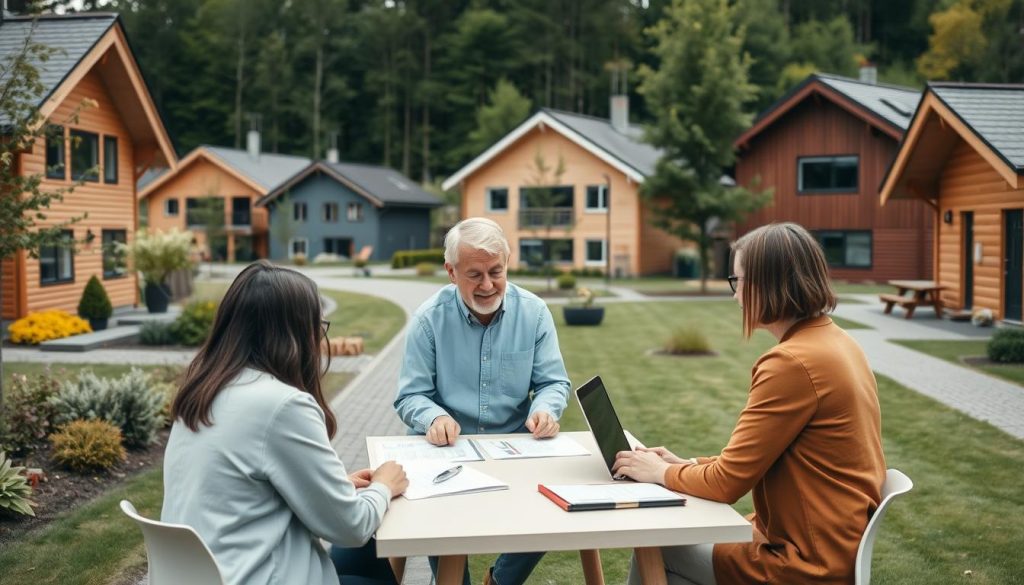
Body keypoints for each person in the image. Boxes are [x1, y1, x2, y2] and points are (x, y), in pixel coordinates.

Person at [613, 223, 886, 585]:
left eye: (737, 281)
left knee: (656, 547)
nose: (735, 295)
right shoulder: (838, 342)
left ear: (767, 285)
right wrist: (687, 464)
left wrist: (658, 473)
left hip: (804, 562)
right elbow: (751, 460)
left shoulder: (791, 363)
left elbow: (727, 484)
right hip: (831, 544)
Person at [162, 261, 409, 585]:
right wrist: (384, 486)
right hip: (258, 576)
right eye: (317, 326)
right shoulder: (282, 405)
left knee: (366, 555)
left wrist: (336, 486)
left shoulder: (203, 390)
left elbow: (239, 488)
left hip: (209, 572)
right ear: (296, 333)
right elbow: (351, 527)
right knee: (370, 542)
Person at [393, 217, 571, 585]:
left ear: (508, 263)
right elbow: (410, 395)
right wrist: (432, 417)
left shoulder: (534, 312)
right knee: (437, 521)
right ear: (451, 272)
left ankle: (500, 581)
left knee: (550, 507)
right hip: (444, 450)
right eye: (474, 275)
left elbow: (553, 382)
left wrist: (545, 409)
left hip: (515, 447)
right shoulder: (428, 320)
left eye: (496, 271)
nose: (488, 285)